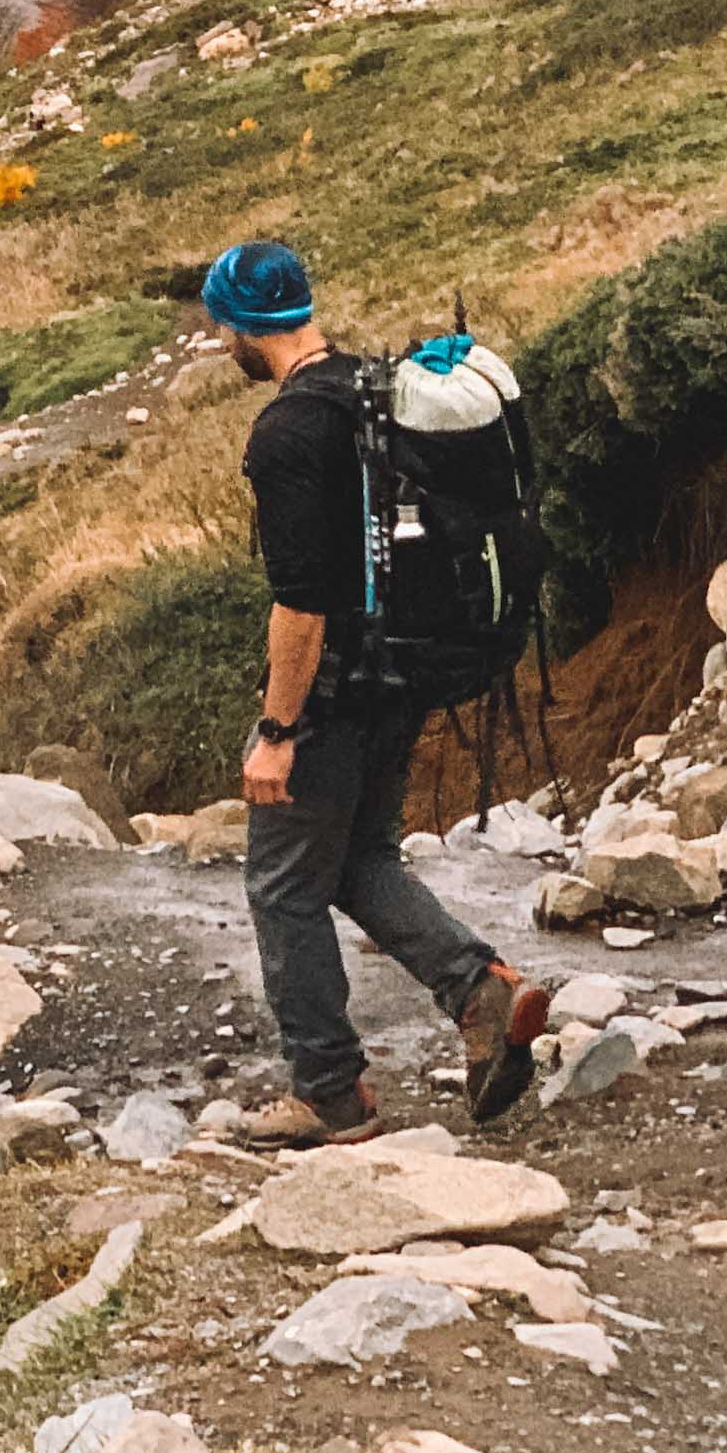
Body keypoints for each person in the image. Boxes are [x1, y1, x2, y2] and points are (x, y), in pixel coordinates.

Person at [209, 237, 548, 1145]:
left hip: (333, 691)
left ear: (238, 325)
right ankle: (480, 993)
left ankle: (327, 1091)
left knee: (282, 889)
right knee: (360, 861)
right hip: (404, 672)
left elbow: (300, 604)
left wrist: (278, 727)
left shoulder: (286, 431)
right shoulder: (375, 388)